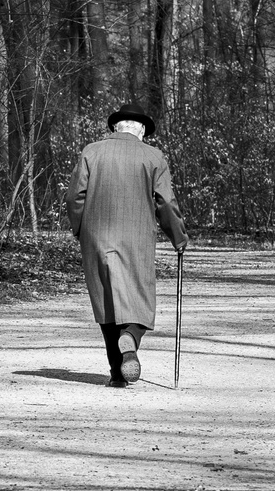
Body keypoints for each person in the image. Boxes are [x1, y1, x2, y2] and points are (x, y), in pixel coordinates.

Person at [63, 101, 188, 387]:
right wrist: (178, 237)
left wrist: (80, 228)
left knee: (106, 301)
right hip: (137, 238)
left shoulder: (91, 152)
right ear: (141, 130)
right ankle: (130, 336)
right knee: (140, 296)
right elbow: (165, 202)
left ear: (114, 128)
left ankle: (117, 374)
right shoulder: (153, 156)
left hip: (96, 236)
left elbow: (74, 197)